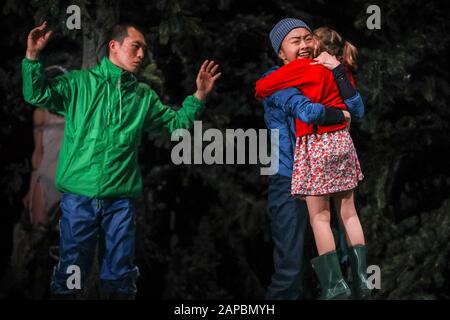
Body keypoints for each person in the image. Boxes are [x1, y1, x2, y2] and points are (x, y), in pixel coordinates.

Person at [22, 21, 221, 299]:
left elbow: (176, 126)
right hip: (79, 198)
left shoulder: (143, 97)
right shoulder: (79, 84)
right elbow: (37, 93)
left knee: (119, 277)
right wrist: (32, 56)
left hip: (120, 203)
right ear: (114, 46)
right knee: (71, 275)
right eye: (135, 47)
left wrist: (199, 95)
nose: (141, 55)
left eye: (144, 50)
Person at [256, 22, 369, 300]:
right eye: (295, 41)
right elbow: (307, 111)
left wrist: (337, 73)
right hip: (287, 178)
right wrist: (340, 116)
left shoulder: (322, 69)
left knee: (339, 263)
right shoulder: (278, 79)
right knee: (291, 270)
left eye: (308, 38)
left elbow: (358, 107)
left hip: (323, 173)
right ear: (281, 53)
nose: (304, 45)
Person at [23, 107, 65, 225]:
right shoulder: (41, 113)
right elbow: (38, 153)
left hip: (70, 182)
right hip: (45, 178)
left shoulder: (78, 108)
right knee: (41, 233)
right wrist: (31, 191)